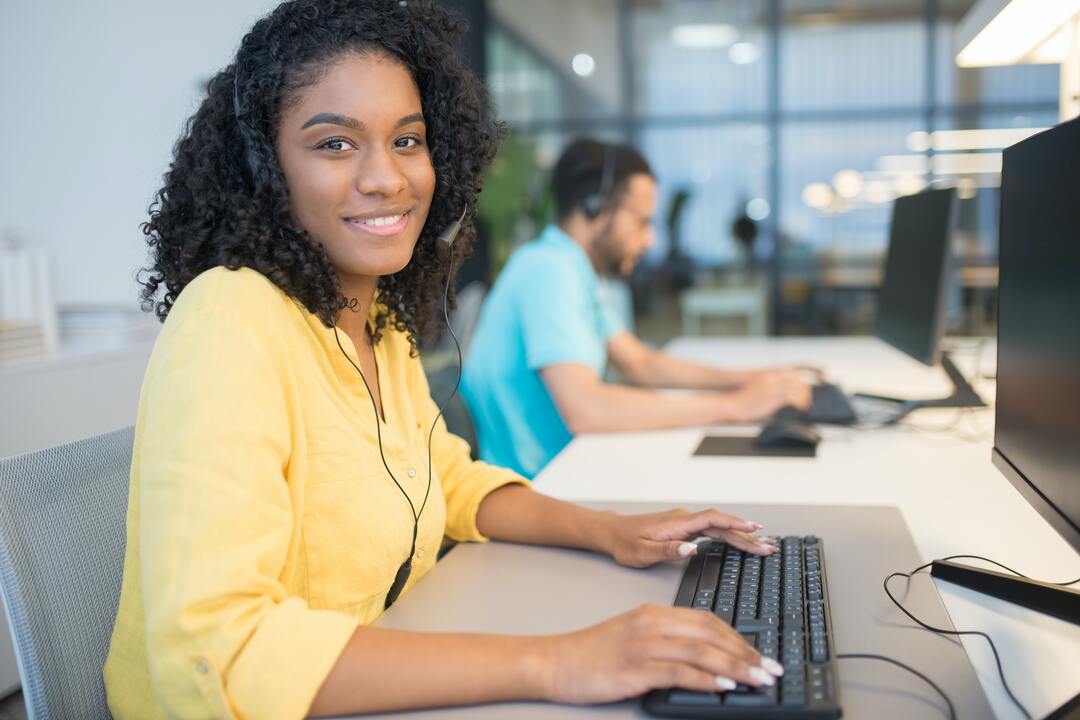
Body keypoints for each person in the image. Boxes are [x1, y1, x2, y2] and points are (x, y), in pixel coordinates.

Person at [102, 2, 785, 718]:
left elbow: (445, 479)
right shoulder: (231, 318)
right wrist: (556, 660)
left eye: (408, 140)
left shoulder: (373, 320)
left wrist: (610, 530)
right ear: (265, 169)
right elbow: (221, 654)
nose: (387, 179)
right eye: (335, 144)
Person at [461, 139, 816, 479]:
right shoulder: (549, 270)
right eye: (643, 221)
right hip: (544, 486)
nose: (650, 240)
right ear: (595, 208)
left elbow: (639, 363)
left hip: (573, 469)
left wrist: (753, 380)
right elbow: (586, 409)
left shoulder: (574, 269)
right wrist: (735, 407)